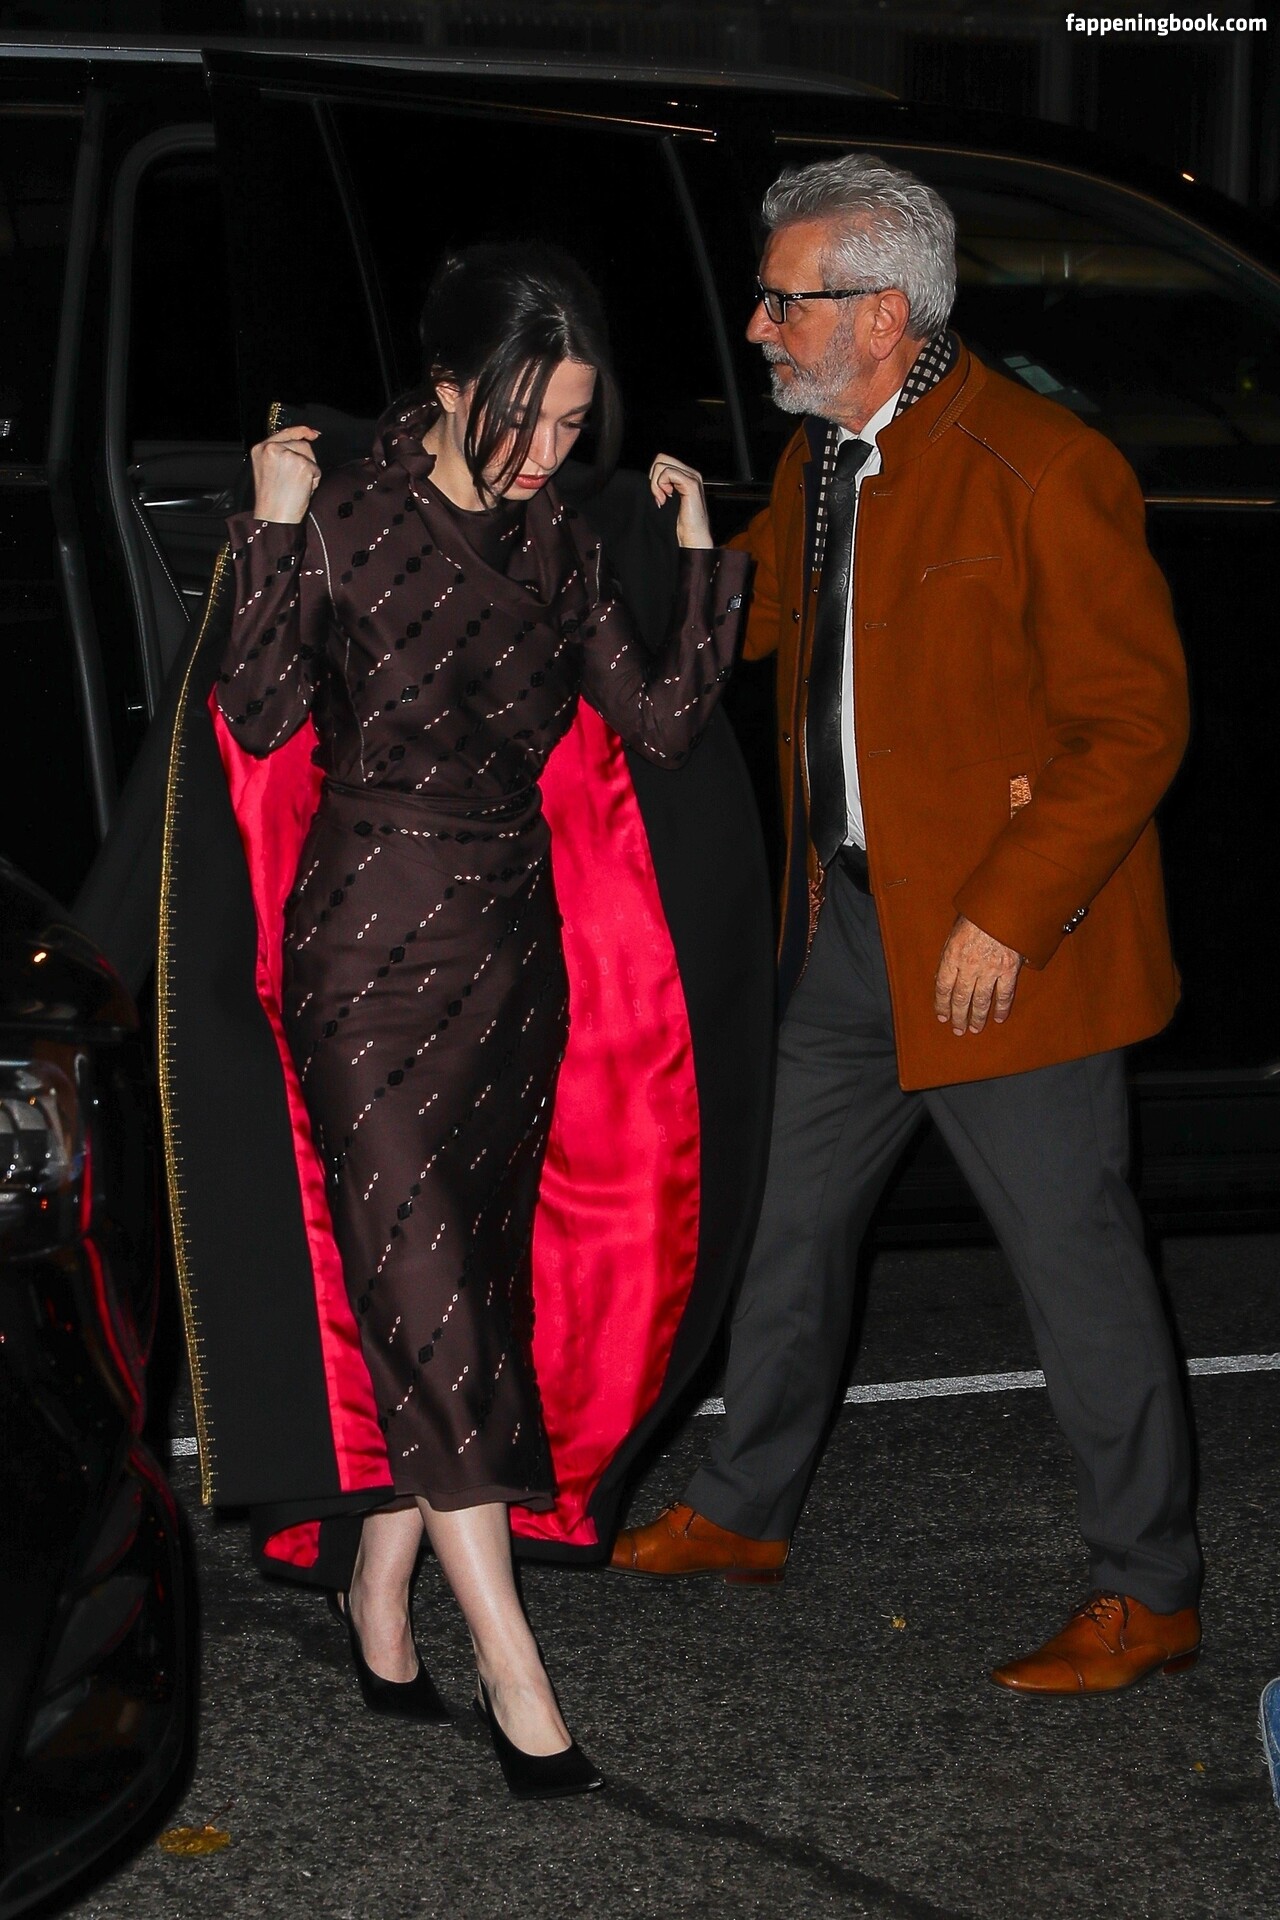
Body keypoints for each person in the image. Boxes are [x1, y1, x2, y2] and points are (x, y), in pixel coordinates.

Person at [610, 154, 1204, 1697]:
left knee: (1076, 1266)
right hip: (852, 932)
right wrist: (637, 560)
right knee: (784, 1229)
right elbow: (752, 623)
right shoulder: (829, 460)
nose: (758, 327)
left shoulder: (1042, 467)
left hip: (1003, 952)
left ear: (884, 313)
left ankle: (1149, 1589)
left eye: (785, 300)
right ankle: (745, 1509)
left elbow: (1135, 725)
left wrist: (1007, 911)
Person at [178, 241, 751, 1797]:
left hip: (510, 964)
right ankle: (515, 1671)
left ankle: (380, 1593)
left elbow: (660, 724)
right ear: (443, 383)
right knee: (434, 1306)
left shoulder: (559, 537)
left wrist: (702, 560)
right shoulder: (344, 514)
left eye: (573, 421)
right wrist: (269, 528)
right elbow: (255, 711)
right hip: (364, 962)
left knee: (455, 1300)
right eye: (525, 416)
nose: (550, 449)